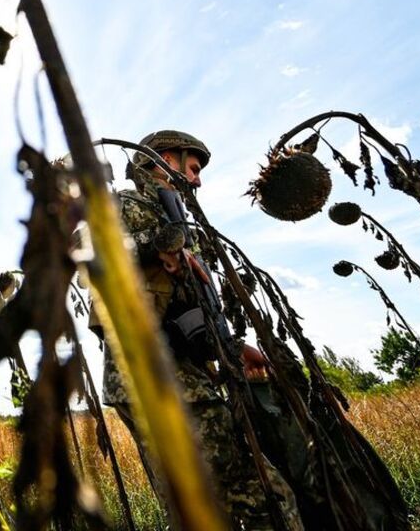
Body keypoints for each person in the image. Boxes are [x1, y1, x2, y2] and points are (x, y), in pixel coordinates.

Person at [92, 130, 303, 530]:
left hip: (176, 373)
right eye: (192, 168)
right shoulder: (124, 204)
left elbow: (191, 310)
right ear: (164, 160)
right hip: (157, 375)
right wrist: (161, 243)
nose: (198, 180)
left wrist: (232, 347)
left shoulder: (177, 221)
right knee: (265, 498)